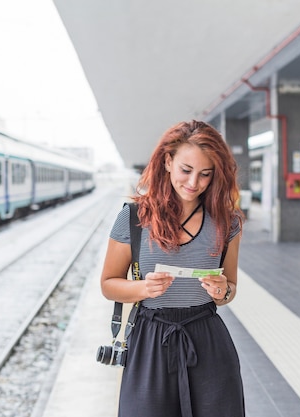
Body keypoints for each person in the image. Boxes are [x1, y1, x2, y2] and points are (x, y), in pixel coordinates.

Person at [100, 120, 245, 417]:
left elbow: (229, 289)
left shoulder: (227, 223)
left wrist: (222, 290)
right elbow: (108, 284)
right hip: (150, 339)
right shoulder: (133, 218)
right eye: (186, 170)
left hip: (207, 340)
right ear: (167, 162)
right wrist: (143, 288)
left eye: (206, 174)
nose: (194, 183)